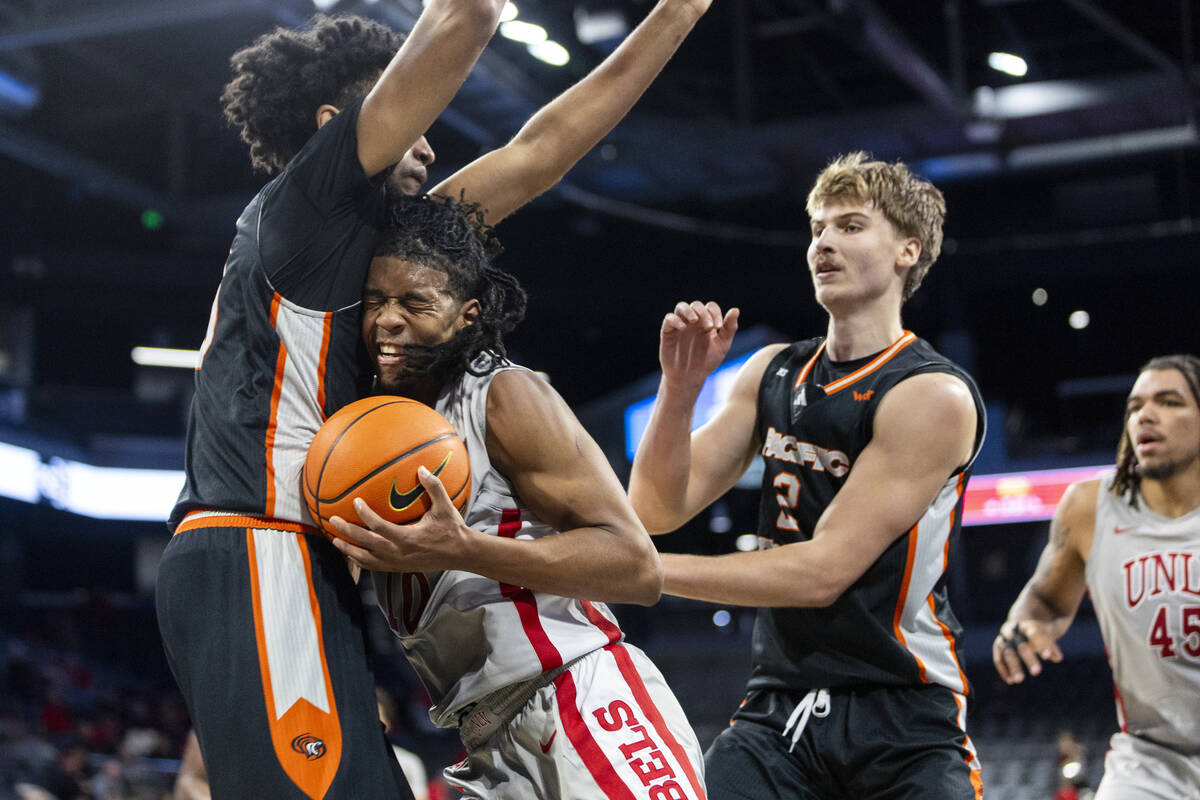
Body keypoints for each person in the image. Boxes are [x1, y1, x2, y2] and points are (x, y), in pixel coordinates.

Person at [156, 0, 712, 795]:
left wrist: (675, 14)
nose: (428, 141)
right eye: (407, 115)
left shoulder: (376, 254)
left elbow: (539, 151)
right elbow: (471, 14)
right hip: (258, 541)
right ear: (336, 124)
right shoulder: (305, 209)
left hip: (292, 556)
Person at [627, 152, 986, 799]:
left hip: (901, 709)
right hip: (779, 707)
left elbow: (822, 573)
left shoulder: (931, 393)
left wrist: (648, 572)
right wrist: (679, 391)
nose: (824, 241)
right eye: (818, 227)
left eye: (849, 226)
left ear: (908, 250)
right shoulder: (770, 372)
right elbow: (653, 510)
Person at [329, 194, 707, 800]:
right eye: (376, 301)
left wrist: (464, 547)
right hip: (487, 741)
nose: (387, 320)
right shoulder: (371, 426)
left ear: (466, 314)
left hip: (578, 697)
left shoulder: (504, 394)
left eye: (415, 302)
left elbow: (637, 568)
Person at [993, 354, 1200, 798]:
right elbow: (1046, 600)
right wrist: (1024, 625)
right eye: (1135, 406)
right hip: (1150, 762)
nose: (1146, 414)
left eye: (1169, 401)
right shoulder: (1092, 506)